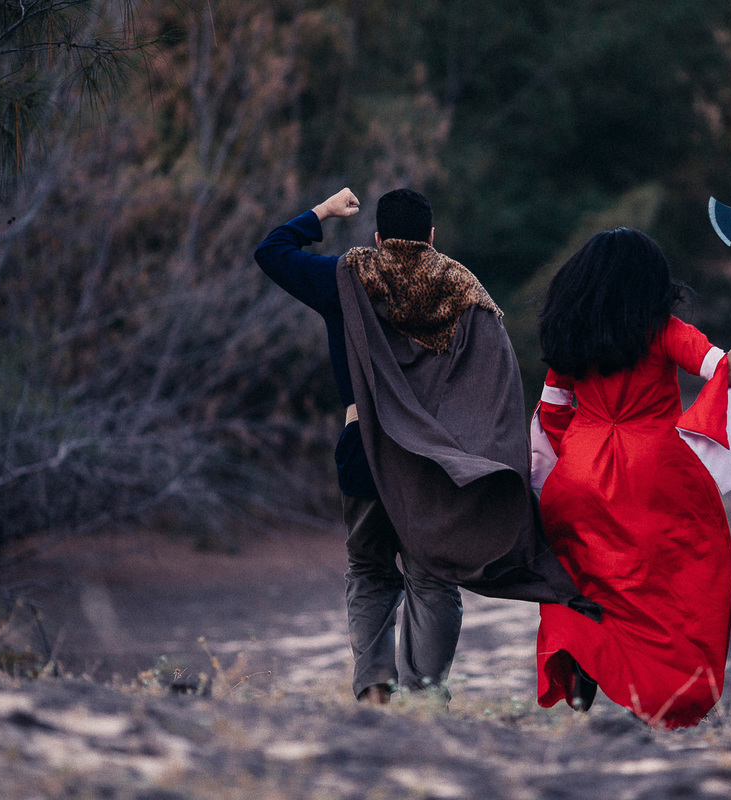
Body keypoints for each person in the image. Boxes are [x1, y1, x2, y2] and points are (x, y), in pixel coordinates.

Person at [255, 188, 599, 705]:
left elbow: (271, 251)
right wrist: (481, 465)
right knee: (433, 578)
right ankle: (425, 696)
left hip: (365, 453)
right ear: (432, 237)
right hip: (435, 469)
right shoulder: (467, 292)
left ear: (377, 236)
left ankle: (374, 689)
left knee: (370, 569)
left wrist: (322, 213)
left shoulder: (346, 278)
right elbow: (495, 390)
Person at [530, 227, 731, 728]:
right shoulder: (663, 330)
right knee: (676, 587)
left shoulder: (571, 331)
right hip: (652, 476)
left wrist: (580, 464)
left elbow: (551, 411)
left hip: (578, 474)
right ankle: (669, 695)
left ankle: (584, 651)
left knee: (586, 582)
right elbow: (730, 371)